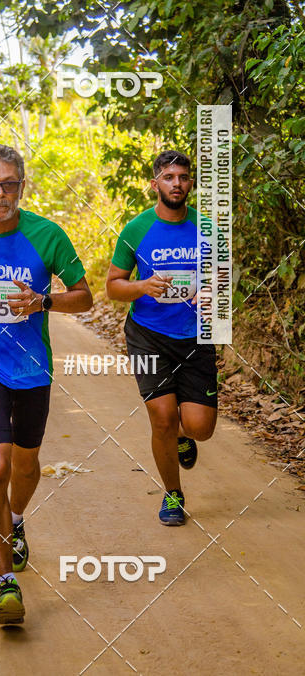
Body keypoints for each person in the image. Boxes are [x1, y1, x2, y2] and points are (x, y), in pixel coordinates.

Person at [0, 144, 92, 625]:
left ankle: (17, 519)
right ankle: (6, 584)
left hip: (31, 369)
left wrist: (43, 302)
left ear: (22, 187)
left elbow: (85, 297)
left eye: (8, 184)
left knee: (26, 466)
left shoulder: (48, 235)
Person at [106, 150, 218, 527]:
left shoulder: (207, 228)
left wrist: (211, 291)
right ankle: (173, 493)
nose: (176, 184)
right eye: (169, 177)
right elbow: (113, 286)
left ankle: (183, 435)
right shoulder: (136, 229)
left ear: (191, 183)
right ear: (155, 184)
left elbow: (220, 278)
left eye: (183, 177)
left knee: (200, 427)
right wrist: (142, 286)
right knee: (163, 418)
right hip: (148, 336)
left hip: (195, 337)